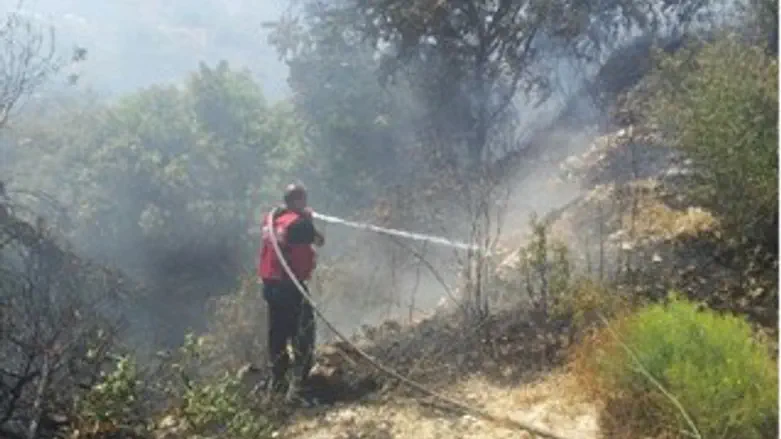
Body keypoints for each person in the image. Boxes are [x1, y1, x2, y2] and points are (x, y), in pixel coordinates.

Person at [257, 183, 324, 400]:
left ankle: (277, 384)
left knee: (277, 334)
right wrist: (308, 220)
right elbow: (317, 241)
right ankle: (300, 387)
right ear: (298, 201)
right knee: (303, 333)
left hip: (270, 286)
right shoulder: (299, 225)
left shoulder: (272, 220)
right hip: (291, 286)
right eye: (303, 200)